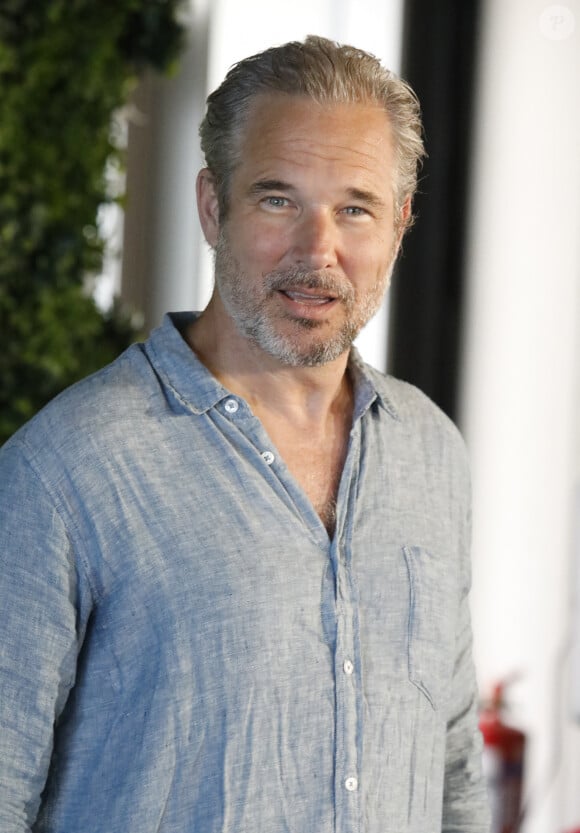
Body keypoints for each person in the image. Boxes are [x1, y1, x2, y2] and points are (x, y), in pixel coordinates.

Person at [0, 35, 490, 833]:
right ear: (210, 205)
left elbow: (452, 770)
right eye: (277, 199)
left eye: (355, 208)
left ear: (399, 226)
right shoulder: (65, 473)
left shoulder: (431, 454)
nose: (316, 252)